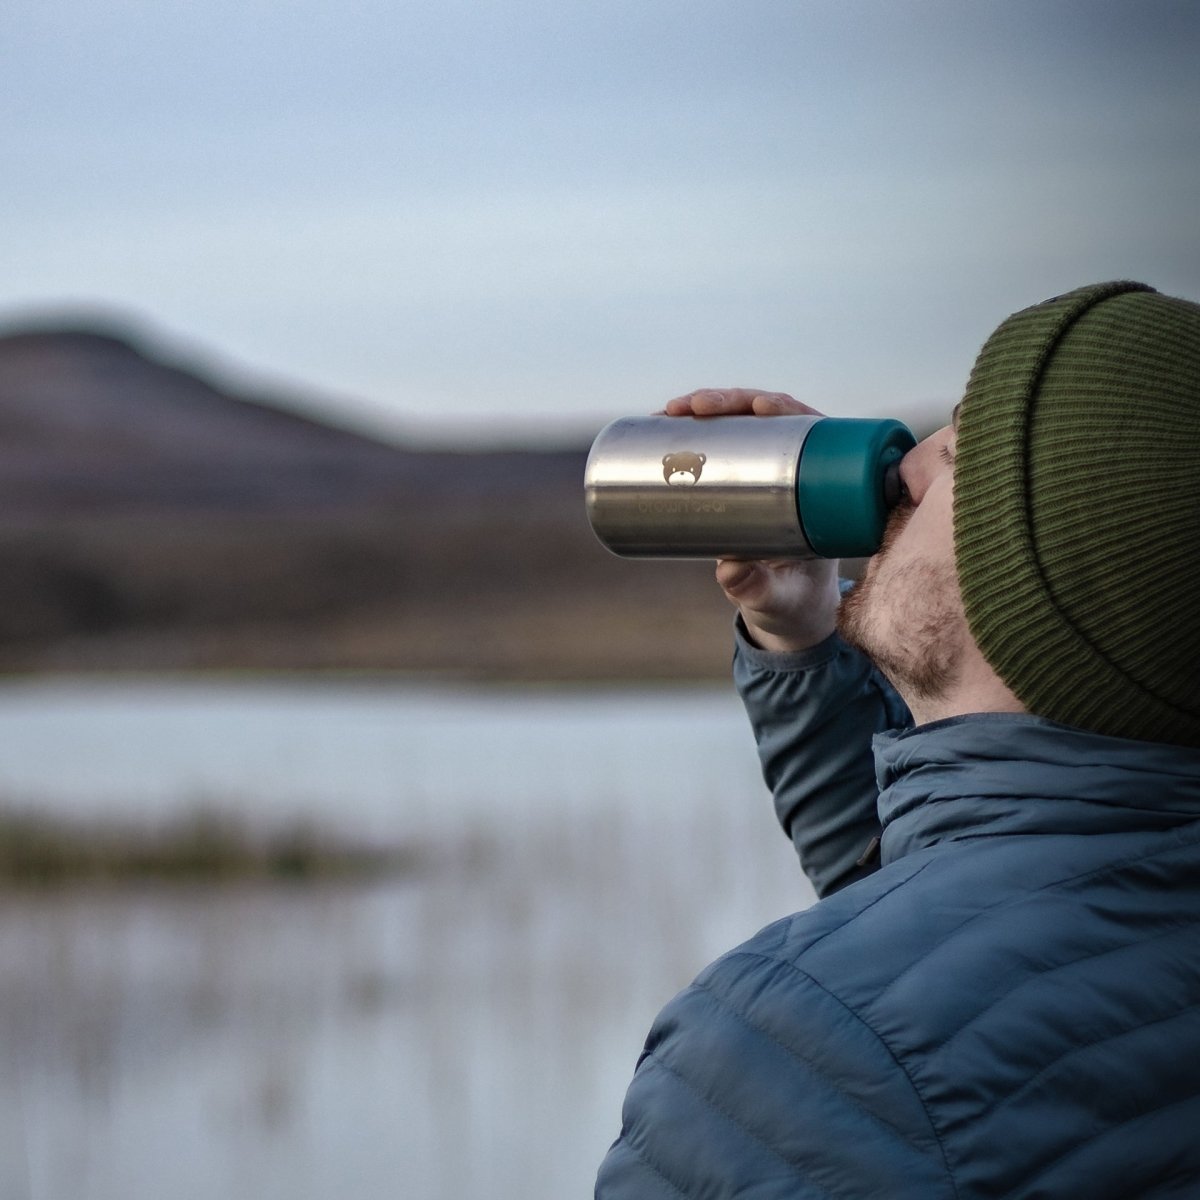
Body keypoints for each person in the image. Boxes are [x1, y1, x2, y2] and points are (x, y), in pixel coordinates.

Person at [594, 281, 1200, 1198]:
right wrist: (800, 637)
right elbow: (957, 887)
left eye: (961, 455)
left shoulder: (791, 1061)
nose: (911, 469)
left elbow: (927, 974)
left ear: (1029, 593)